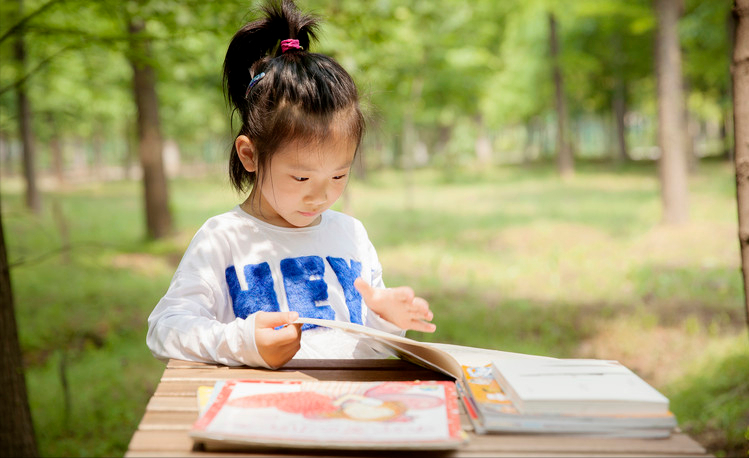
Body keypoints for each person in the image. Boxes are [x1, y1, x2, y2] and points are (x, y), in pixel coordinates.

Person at [146, 0, 435, 369]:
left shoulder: (351, 235)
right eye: (301, 177)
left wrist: (386, 322)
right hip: (259, 415)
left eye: (338, 176)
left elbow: (367, 355)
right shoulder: (224, 239)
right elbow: (165, 328)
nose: (320, 195)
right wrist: (244, 342)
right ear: (250, 155)